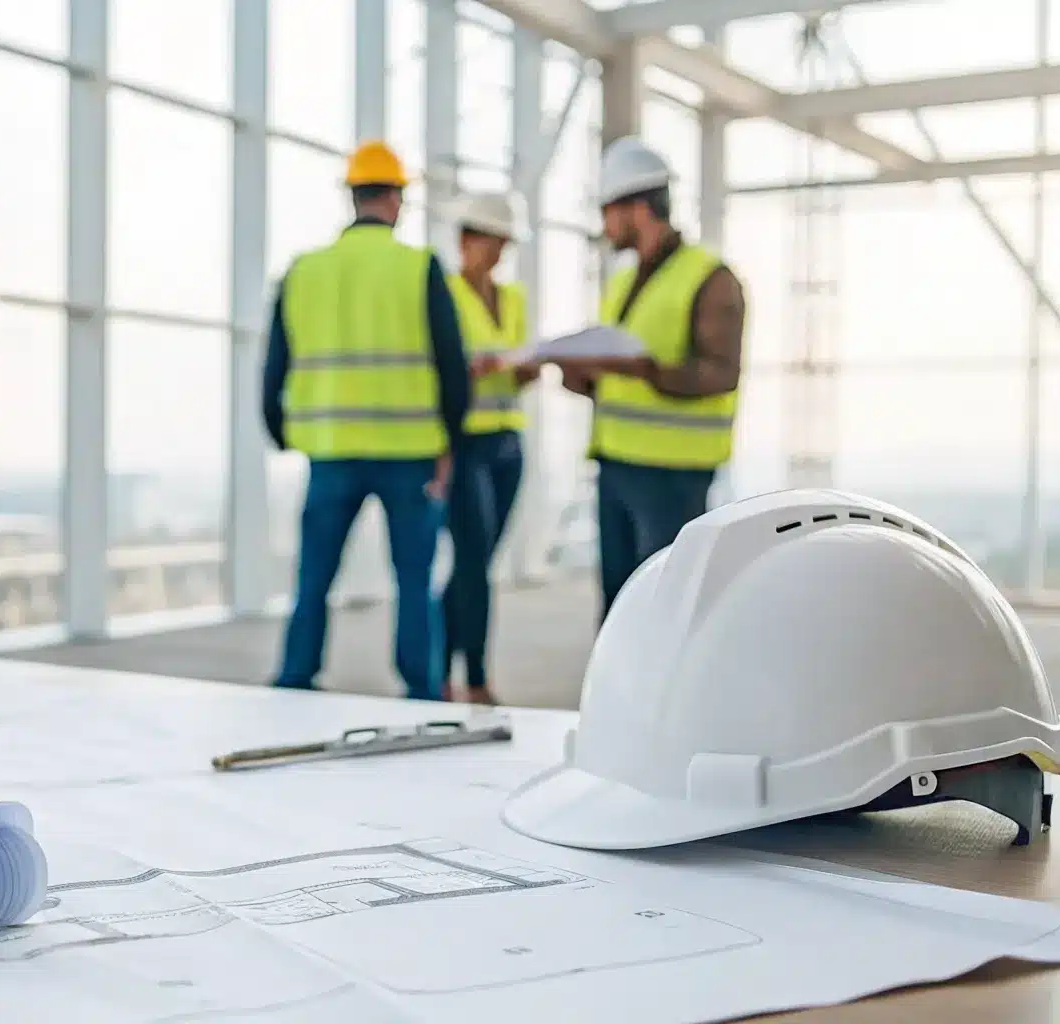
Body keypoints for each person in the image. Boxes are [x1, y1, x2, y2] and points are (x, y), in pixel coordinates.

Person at [264, 140, 470, 701]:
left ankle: (295, 680)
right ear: (396, 199)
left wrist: (282, 431)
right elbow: (452, 365)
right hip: (410, 453)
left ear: (353, 196)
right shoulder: (419, 268)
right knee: (414, 581)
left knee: (313, 579)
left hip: (330, 451)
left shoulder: (305, 270)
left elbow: (275, 362)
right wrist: (450, 442)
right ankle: (421, 690)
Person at [563, 136, 745, 621]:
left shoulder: (711, 278)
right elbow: (613, 372)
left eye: (608, 211)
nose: (604, 225)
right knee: (619, 611)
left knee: (663, 613)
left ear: (638, 209)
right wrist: (582, 374)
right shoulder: (624, 282)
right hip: (617, 464)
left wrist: (647, 371)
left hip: (674, 476)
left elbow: (721, 372)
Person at [440, 191, 539, 704]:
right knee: (473, 565)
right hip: (466, 443)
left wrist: (524, 367)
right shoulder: (445, 295)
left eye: (503, 243)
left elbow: (522, 369)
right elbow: (439, 368)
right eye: (491, 241)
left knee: (474, 565)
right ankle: (473, 679)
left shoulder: (514, 299)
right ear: (466, 240)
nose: (498, 252)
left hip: (507, 444)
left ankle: (440, 665)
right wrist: (471, 371)